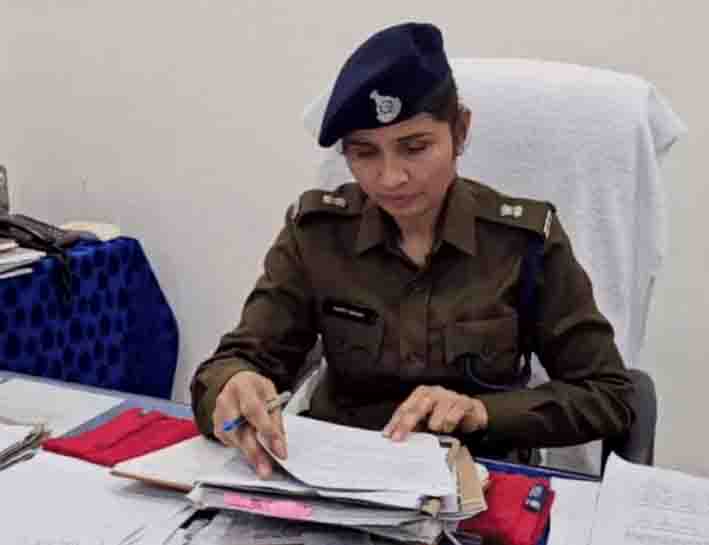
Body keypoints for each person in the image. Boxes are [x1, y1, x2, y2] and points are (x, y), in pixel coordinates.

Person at [191, 22, 634, 478]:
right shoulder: (317, 234)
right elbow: (236, 360)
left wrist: (481, 412)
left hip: (477, 477)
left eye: (415, 147)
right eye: (365, 153)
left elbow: (608, 394)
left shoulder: (522, 242)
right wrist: (233, 384)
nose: (391, 178)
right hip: (337, 475)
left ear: (460, 131)